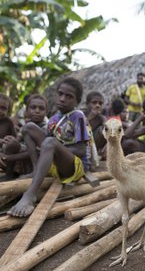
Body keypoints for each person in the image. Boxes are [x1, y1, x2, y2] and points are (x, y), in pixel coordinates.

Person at [8, 77, 91, 217]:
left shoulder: (78, 117)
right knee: (28, 127)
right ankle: (36, 170)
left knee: (50, 142)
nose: (62, 98)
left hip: (75, 166)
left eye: (69, 96)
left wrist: (55, 149)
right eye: (60, 94)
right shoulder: (54, 118)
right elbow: (44, 141)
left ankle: (30, 195)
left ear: (77, 101)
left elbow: (81, 150)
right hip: (57, 163)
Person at [0, 93, 21, 180]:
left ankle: (9, 174)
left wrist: (10, 139)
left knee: (13, 145)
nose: (0, 111)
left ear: (8, 111)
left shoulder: (8, 122)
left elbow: (16, 140)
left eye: (3, 108)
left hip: (4, 155)